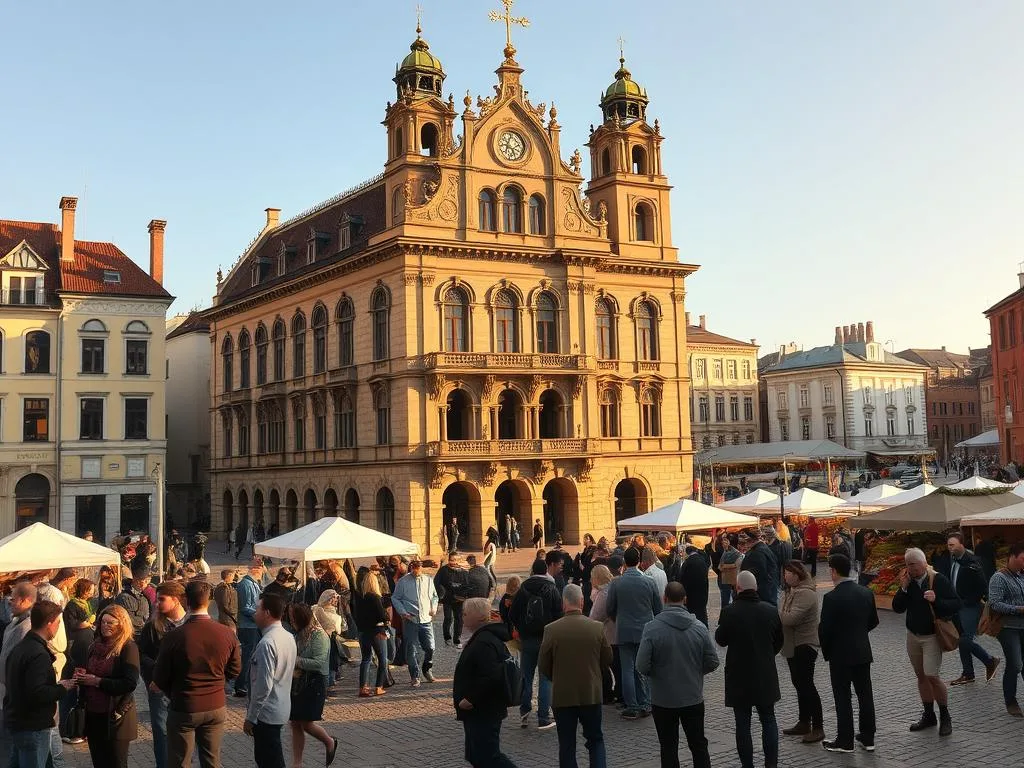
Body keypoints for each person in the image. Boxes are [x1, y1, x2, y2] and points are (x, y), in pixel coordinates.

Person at [153, 579, 242, 768]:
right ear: (209, 601)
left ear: (186, 601)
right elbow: (235, 670)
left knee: (180, 762)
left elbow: (160, 677)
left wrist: (176, 689)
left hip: (184, 705)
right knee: (212, 760)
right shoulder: (227, 633)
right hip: (216, 704)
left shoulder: (174, 636)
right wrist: (217, 681)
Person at [637, 581, 719, 768]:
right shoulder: (699, 627)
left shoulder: (652, 628)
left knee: (668, 746)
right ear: (685, 600)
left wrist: (658, 675)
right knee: (698, 744)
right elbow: (713, 661)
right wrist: (696, 672)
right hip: (692, 696)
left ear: (664, 599)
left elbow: (641, 665)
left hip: (663, 699)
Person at [715, 571, 783, 768]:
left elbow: (721, 639)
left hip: (739, 674)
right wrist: (767, 654)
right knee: (768, 719)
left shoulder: (729, 611)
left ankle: (747, 765)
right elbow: (779, 641)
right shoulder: (770, 611)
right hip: (765, 672)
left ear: (737, 588)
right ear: (756, 588)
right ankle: (771, 764)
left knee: (742, 723)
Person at [539, 584, 612, 768]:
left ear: (564, 603)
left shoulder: (551, 629)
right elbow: (607, 658)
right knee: (595, 740)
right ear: (581, 602)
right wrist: (595, 672)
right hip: (590, 692)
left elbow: (544, 665)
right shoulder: (596, 628)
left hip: (563, 695)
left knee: (567, 744)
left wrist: (557, 677)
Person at [891, 547, 961, 736]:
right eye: (907, 565)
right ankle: (929, 715)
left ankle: (945, 716)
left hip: (931, 636)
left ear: (923, 563)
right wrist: (903, 588)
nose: (910, 569)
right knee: (921, 676)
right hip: (913, 635)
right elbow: (897, 608)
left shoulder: (938, 580)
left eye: (912, 564)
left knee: (932, 675)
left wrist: (936, 600)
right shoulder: (908, 582)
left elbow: (955, 604)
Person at [3, 601, 76, 768]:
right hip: (32, 726)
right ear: (49, 624)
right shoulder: (37, 654)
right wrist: (61, 688)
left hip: (19, 722)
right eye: (58, 623)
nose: (58, 628)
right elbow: (38, 693)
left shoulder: (21, 647)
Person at [818, 554, 878, 753]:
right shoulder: (865, 593)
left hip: (840, 654)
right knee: (865, 695)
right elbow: (873, 621)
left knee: (842, 697)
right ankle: (868, 737)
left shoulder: (831, 598)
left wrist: (827, 651)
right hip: (862, 651)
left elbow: (824, 629)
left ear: (834, 571)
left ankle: (845, 740)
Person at [453, 597, 519, 768]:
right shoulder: (483, 637)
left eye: (466, 614)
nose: (463, 617)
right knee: (476, 756)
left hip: (483, 710)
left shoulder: (484, 641)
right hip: (481, 710)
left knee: (488, 757)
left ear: (478, 617)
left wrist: (471, 698)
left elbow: (492, 675)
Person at [74, 605, 140, 768]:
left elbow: (130, 683)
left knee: (116, 763)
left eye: (111, 623)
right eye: (102, 622)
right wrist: (81, 676)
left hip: (116, 716)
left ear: (122, 624)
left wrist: (97, 681)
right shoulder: (94, 645)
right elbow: (88, 673)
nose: (105, 626)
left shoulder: (128, 647)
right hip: (93, 715)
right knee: (99, 762)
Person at [934, 532, 1000, 686]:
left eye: (952, 545)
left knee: (964, 639)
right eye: (948, 545)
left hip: (970, 606)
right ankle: (968, 673)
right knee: (962, 639)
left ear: (961, 544)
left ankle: (989, 661)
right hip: (957, 605)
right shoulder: (951, 559)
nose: (949, 548)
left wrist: (986, 604)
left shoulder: (972, 562)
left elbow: (983, 585)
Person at [606, 547, 663, 720]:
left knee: (627, 669)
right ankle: (646, 702)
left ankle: (632, 706)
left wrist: (619, 620)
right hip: (644, 630)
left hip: (624, 630)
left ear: (624, 562)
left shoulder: (616, 583)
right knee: (644, 667)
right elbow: (658, 608)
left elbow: (610, 609)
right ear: (639, 561)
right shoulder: (649, 581)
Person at [244, 593, 299, 768]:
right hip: (280, 707)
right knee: (272, 756)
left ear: (267, 613)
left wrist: (251, 717)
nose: (254, 613)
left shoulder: (267, 643)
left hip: (266, 713)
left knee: (269, 760)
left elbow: (263, 686)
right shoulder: (288, 636)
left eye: (258, 609)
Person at [138, 582, 187, 768]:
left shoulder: (190, 624)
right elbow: (141, 654)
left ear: (175, 600)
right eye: (156, 600)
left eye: (161, 599)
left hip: (185, 688)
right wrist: (155, 671)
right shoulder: (153, 626)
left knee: (185, 733)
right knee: (162, 732)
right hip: (159, 688)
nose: (157, 603)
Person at [508, 559, 562, 730]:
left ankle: (524, 712)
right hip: (546, 638)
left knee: (526, 676)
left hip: (528, 639)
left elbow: (513, 614)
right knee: (546, 678)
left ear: (532, 570)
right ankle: (543, 717)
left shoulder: (524, 589)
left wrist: (521, 630)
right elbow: (559, 615)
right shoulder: (552, 589)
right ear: (546, 570)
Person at [287, 603, 338, 768]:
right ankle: (297, 763)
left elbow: (319, 662)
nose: (291, 620)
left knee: (306, 723)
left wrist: (296, 662)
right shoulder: (299, 634)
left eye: (293, 617)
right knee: (294, 721)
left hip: (314, 683)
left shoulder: (319, 635)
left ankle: (329, 741)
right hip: (297, 682)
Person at [778, 561, 823, 744]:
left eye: (788, 573)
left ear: (798, 574)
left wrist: (779, 611)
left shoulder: (805, 594)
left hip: (805, 644)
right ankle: (804, 721)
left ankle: (818, 727)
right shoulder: (792, 592)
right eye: (785, 573)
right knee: (799, 684)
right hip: (792, 645)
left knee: (807, 686)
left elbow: (790, 619)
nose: (785, 576)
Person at [987, 541, 1024, 716]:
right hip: (1008, 627)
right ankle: (1010, 700)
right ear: (1013, 556)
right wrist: (1018, 609)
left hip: (1023, 626)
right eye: (1023, 558)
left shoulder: (1021, 575)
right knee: (1015, 664)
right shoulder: (999, 577)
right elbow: (994, 603)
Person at [390, 559, 439, 687]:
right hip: (410, 620)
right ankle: (415, 676)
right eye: (414, 568)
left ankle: (427, 668)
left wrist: (433, 607)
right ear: (411, 568)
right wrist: (403, 612)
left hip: (426, 620)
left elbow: (434, 596)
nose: (416, 570)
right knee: (411, 650)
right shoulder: (403, 581)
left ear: (422, 568)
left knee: (430, 647)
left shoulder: (428, 580)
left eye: (418, 568)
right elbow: (395, 598)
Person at [353, 573, 390, 696]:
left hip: (363, 632)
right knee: (382, 659)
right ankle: (379, 686)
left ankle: (363, 687)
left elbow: (356, 616)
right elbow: (382, 615)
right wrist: (386, 618)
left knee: (366, 659)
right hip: (377, 631)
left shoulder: (360, 598)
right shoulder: (375, 598)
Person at [587, 565, 618, 705]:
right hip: (611, 633)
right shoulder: (607, 589)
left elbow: (596, 615)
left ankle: (608, 693)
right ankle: (614, 692)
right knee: (614, 666)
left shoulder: (605, 593)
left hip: (608, 635)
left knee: (606, 665)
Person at [234, 559, 265, 697]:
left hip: (253, 624)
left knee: (252, 656)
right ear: (255, 570)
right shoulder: (246, 585)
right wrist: (259, 616)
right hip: (248, 625)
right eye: (261, 570)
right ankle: (242, 685)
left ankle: (247, 683)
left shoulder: (253, 583)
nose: (262, 573)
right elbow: (245, 607)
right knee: (248, 656)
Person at [738, 528, 778, 606]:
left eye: (744, 543)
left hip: (762, 594)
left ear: (751, 540)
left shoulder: (757, 553)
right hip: (769, 591)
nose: (743, 546)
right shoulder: (763, 548)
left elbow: (756, 575)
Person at [313, 590, 345, 687]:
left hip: (319, 640)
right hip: (330, 640)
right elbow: (338, 630)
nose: (336, 601)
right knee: (331, 661)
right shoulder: (334, 617)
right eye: (334, 598)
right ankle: (329, 682)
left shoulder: (315, 610)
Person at [435, 554, 467, 648]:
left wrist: (463, 593)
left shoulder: (463, 571)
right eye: (451, 560)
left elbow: (466, 583)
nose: (453, 562)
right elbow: (436, 582)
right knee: (448, 618)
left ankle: (457, 639)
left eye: (455, 560)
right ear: (448, 560)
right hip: (447, 598)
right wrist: (440, 594)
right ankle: (447, 637)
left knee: (459, 619)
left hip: (459, 599)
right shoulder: (443, 570)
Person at [113, 562, 151, 640]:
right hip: (128, 637)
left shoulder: (146, 597)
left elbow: (148, 618)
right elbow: (122, 620)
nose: (143, 584)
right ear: (134, 579)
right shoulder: (123, 597)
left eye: (146, 581)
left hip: (143, 637)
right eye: (140, 581)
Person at [679, 547, 711, 627]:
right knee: (702, 616)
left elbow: (682, 579)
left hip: (691, 597)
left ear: (687, 553)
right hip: (702, 595)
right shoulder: (702, 560)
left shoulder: (688, 562)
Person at [716, 534, 741, 608]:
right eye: (722, 541)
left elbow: (737, 564)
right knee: (725, 599)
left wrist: (725, 566)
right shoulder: (724, 551)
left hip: (731, 577)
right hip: (725, 577)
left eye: (725, 541)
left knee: (730, 598)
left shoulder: (735, 552)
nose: (723, 543)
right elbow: (720, 566)